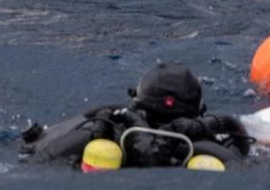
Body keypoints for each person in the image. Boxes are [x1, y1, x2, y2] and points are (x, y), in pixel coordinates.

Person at [19, 62, 251, 169]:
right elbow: (244, 169)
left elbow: (36, 155)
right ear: (199, 110)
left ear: (136, 97)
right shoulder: (210, 143)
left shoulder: (107, 130)